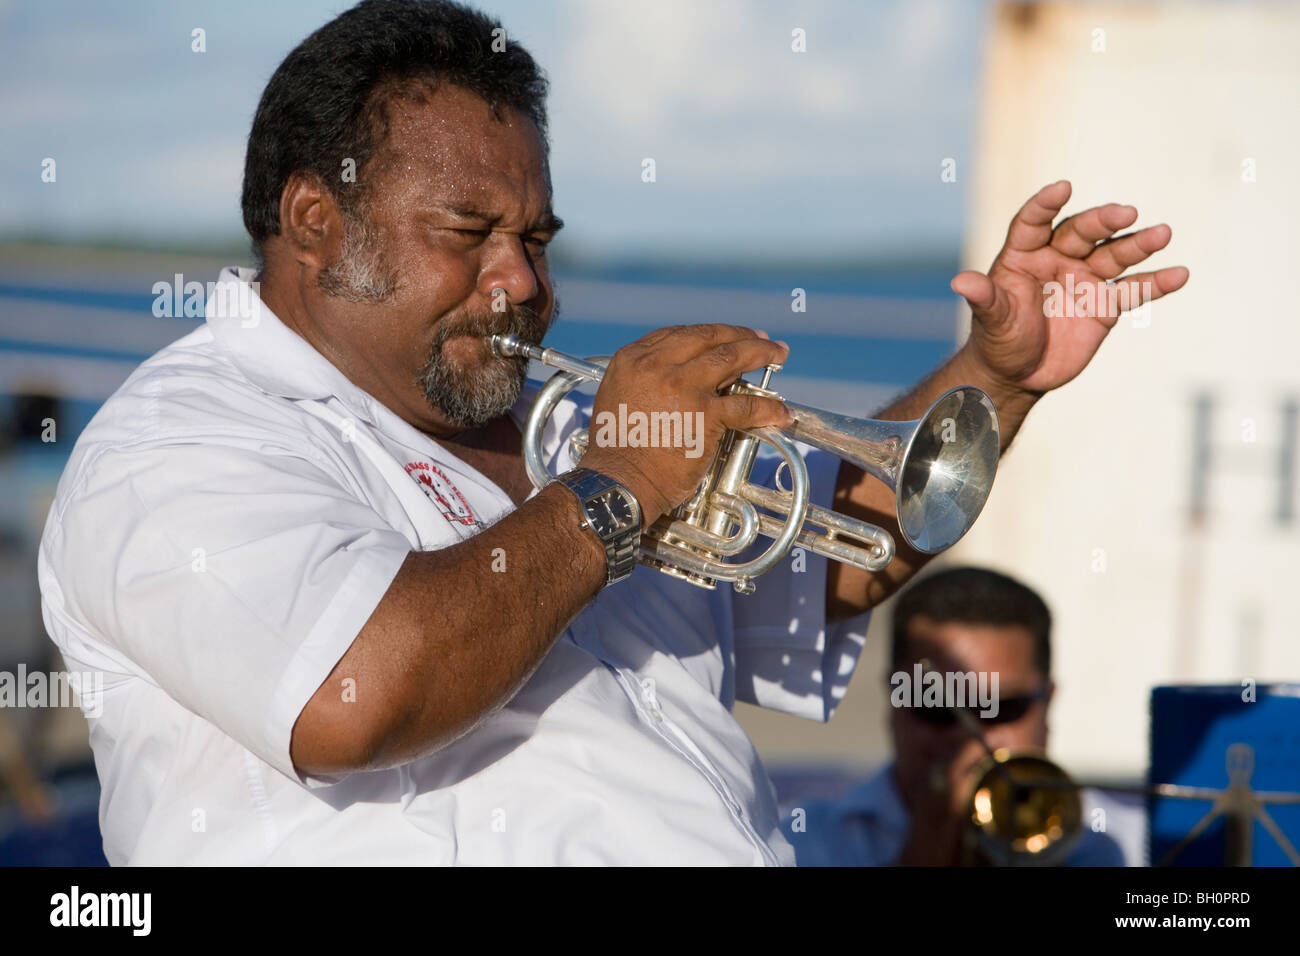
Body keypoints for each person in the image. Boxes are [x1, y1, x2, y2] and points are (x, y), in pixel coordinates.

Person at [36, 0, 1186, 864]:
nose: (519, 280)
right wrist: (624, 481)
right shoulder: (178, 445)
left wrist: (996, 376)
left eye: (537, 236)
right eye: (469, 229)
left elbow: (816, 567)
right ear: (313, 220)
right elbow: (351, 696)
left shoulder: (550, 440)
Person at [783, 567, 1144, 866]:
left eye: (1002, 708)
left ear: (1047, 703)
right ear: (894, 700)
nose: (971, 741)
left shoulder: (1132, 845)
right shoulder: (800, 846)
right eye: (936, 707)